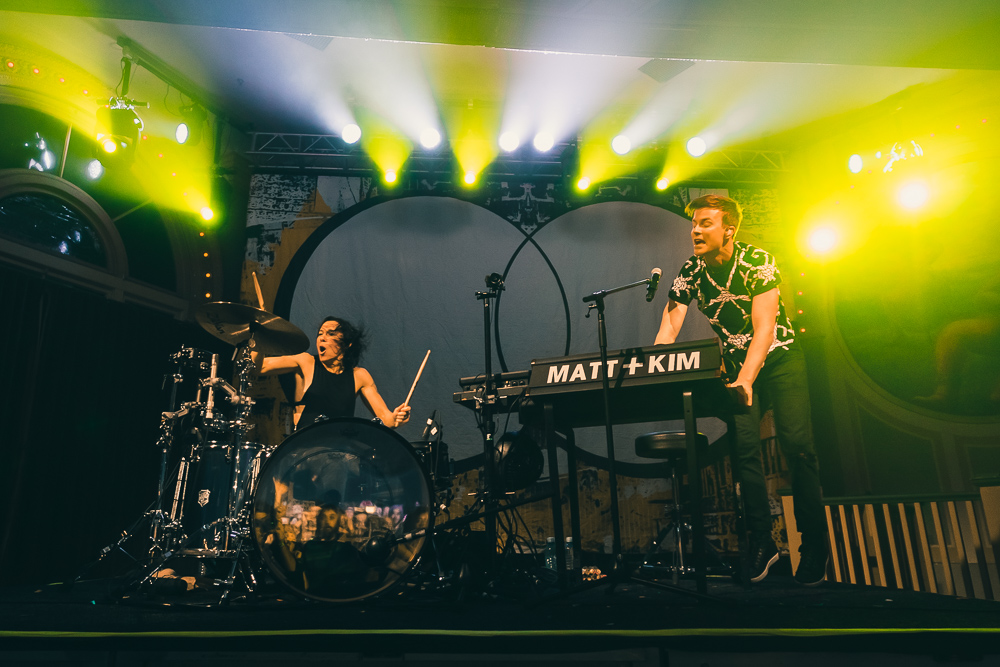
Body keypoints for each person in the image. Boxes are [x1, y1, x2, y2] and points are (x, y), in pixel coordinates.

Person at [654, 194, 829, 586]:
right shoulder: (692, 270)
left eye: (705, 224)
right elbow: (671, 321)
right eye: (694, 224)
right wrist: (654, 368)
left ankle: (814, 544)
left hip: (780, 360)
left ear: (728, 230)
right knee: (745, 453)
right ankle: (762, 544)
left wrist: (746, 379)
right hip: (736, 369)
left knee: (798, 445)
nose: (696, 231)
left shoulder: (757, 262)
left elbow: (765, 330)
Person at [255, 316, 411, 430]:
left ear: (347, 344)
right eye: (320, 333)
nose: (321, 338)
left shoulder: (359, 376)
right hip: (305, 447)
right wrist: (259, 336)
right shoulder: (305, 362)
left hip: (340, 450)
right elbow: (258, 368)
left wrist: (396, 418)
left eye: (330, 334)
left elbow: (386, 419)